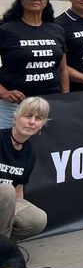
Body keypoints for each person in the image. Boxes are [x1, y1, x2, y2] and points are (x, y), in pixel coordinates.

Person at [0, 0, 69, 128]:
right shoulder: (6, 30)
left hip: (50, 103)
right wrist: (3, 92)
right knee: (7, 147)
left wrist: (65, 98)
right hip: (14, 106)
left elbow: (63, 69)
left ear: (46, 1)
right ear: (21, 0)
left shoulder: (57, 30)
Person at [0, 97, 50, 242]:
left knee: (37, 219)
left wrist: (12, 214)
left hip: (6, 200)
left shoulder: (29, 153)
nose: (32, 122)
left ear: (42, 125)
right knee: (5, 190)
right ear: (15, 118)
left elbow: (18, 189)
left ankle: (5, 244)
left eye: (38, 118)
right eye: (27, 116)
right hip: (3, 195)